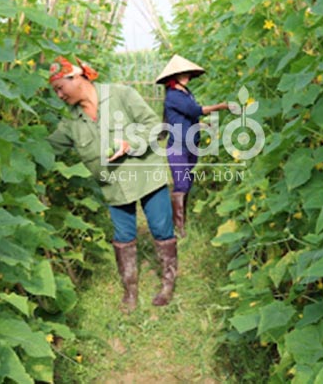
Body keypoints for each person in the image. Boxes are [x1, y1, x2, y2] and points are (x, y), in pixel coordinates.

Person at [46, 56, 176, 313]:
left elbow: (154, 127)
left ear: (76, 77)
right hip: (114, 186)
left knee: (161, 229)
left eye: (61, 88)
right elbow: (44, 149)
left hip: (146, 175)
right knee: (124, 237)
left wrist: (128, 143)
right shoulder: (71, 123)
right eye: (55, 91)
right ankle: (130, 291)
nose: (59, 95)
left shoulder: (120, 95)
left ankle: (167, 283)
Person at [155, 55, 229, 238]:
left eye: (187, 73)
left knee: (187, 183)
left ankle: (181, 220)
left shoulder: (186, 92)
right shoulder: (173, 96)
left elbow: (189, 118)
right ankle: (178, 227)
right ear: (174, 76)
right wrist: (220, 106)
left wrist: (204, 126)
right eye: (182, 73)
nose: (186, 75)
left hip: (191, 144)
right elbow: (194, 111)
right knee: (181, 184)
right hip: (178, 146)